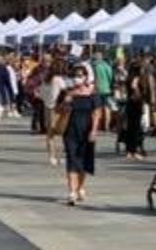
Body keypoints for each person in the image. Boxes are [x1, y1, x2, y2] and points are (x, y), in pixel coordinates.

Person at [59, 61, 100, 206]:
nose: (78, 78)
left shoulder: (92, 94)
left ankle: (80, 187)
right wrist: (66, 101)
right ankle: (72, 192)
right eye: (75, 76)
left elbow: (97, 113)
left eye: (80, 76)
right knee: (71, 159)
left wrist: (94, 130)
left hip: (86, 131)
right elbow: (60, 111)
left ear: (86, 77)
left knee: (83, 160)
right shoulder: (69, 93)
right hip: (70, 130)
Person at [120, 62, 151, 160]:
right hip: (136, 104)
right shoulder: (136, 78)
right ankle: (133, 151)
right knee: (136, 128)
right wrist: (138, 94)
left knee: (130, 128)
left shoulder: (128, 78)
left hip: (130, 104)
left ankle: (129, 151)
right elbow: (134, 87)